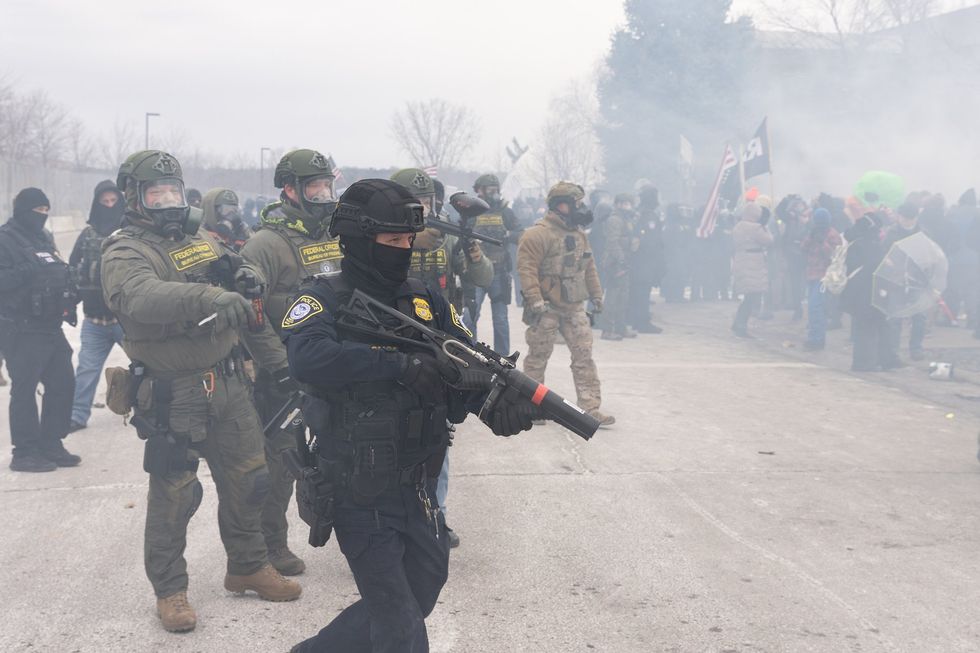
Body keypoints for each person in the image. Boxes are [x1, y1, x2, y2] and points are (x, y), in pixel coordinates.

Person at [283, 179, 534, 652]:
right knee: (399, 625)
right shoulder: (323, 298)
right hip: (359, 485)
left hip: (418, 484)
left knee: (421, 588)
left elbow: (463, 364)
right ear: (359, 239)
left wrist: (493, 404)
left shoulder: (425, 298)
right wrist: (397, 365)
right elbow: (307, 358)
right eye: (392, 240)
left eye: (408, 240)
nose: (403, 250)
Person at [101, 150, 301, 633]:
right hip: (174, 394)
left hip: (229, 383)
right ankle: (170, 591)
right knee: (175, 495)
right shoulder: (124, 250)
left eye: (173, 192)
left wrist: (244, 274)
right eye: (156, 194)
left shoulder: (199, 239)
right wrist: (208, 296)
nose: (168, 202)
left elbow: (237, 271)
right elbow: (140, 296)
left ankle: (248, 565)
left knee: (251, 479)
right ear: (135, 198)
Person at [239, 148, 342, 576]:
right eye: (314, 186)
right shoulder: (265, 244)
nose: (323, 194)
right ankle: (271, 545)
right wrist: (281, 365)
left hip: (333, 363)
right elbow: (250, 313)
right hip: (285, 373)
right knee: (282, 461)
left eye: (327, 185)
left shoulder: (333, 235)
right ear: (290, 189)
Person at [391, 167, 494, 550]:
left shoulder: (445, 237)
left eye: (427, 201)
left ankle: (435, 516)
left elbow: (483, 277)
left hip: (441, 348)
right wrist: (411, 241)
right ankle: (391, 525)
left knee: (438, 438)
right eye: (414, 202)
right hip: (393, 345)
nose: (424, 207)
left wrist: (471, 248)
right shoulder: (383, 239)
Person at [517, 181, 614, 426]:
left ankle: (590, 407)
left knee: (584, 356)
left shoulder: (579, 235)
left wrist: (597, 295)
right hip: (546, 308)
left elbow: (589, 267)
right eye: (576, 204)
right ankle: (531, 406)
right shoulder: (537, 234)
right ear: (561, 205)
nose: (581, 208)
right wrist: (535, 300)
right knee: (538, 357)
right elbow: (527, 270)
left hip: (574, 307)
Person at [0, 188, 80, 472]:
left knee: (63, 383)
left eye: (46, 211)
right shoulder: (5, 239)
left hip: (50, 326)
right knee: (25, 390)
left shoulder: (43, 237)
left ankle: (51, 443)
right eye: (37, 211)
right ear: (23, 211)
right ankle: (24, 452)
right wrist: (27, 269)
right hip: (20, 328)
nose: (42, 216)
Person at [67, 180, 125, 432]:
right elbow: (72, 269)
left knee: (149, 365)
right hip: (94, 321)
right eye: (104, 202)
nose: (109, 206)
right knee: (87, 370)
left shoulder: (129, 233)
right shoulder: (87, 235)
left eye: (113, 201)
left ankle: (154, 411)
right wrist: (69, 301)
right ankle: (77, 416)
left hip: (126, 320)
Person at [467, 173, 523, 355]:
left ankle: (503, 359)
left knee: (500, 319)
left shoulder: (505, 211)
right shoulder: (471, 211)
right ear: (480, 191)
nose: (494, 193)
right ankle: (470, 354)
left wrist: (508, 235)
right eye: (490, 190)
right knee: (470, 317)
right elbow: (460, 233)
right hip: (476, 272)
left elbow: (521, 233)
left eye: (495, 190)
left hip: (499, 271)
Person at [840, 211, 898, 371]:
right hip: (868, 292)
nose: (880, 232)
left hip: (857, 292)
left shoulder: (855, 242)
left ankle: (873, 361)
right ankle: (865, 363)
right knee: (868, 327)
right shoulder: (868, 244)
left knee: (865, 326)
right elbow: (875, 266)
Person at [883, 203, 927, 361]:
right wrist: (888, 262)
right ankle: (892, 350)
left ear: (916, 218)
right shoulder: (891, 233)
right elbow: (884, 252)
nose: (906, 221)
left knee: (919, 315)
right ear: (899, 216)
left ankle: (916, 348)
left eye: (910, 219)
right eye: (903, 218)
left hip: (917, 280)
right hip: (896, 280)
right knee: (895, 316)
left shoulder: (923, 234)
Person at [800, 208, 841, 350]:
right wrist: (810, 238)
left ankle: (816, 339)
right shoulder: (813, 231)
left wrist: (822, 242)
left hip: (824, 276)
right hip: (811, 273)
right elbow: (803, 248)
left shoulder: (833, 235)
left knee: (815, 307)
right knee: (814, 308)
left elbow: (834, 256)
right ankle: (817, 338)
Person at [731, 203, 774, 338]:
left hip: (741, 259)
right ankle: (741, 325)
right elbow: (769, 240)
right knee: (751, 297)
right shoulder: (756, 228)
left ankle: (737, 323)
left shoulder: (738, 226)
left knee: (748, 295)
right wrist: (765, 227)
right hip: (754, 262)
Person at [599, 193, 638, 340]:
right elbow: (612, 243)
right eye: (625, 203)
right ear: (618, 204)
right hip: (614, 263)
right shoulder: (615, 220)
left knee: (623, 297)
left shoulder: (626, 219)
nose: (628, 206)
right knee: (613, 297)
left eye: (629, 203)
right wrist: (621, 259)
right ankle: (607, 330)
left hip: (624, 261)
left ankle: (621, 328)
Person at [627, 183, 664, 333]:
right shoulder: (649, 216)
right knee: (642, 291)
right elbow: (652, 240)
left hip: (637, 259)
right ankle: (642, 322)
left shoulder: (638, 212)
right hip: (645, 260)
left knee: (636, 290)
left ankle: (633, 319)